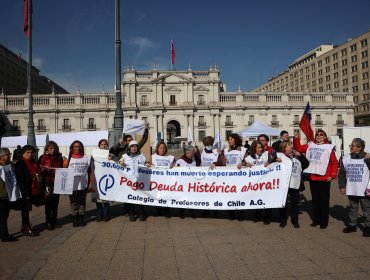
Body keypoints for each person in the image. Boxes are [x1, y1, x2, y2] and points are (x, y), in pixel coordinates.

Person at [294, 129, 338, 229]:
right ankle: (316, 220)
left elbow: (334, 162)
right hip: (313, 177)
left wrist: (333, 175)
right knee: (315, 201)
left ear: (325, 136)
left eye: (321, 134)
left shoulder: (329, 147)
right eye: (317, 134)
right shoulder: (310, 144)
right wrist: (296, 138)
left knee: (324, 201)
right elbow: (299, 148)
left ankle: (324, 222)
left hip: (324, 178)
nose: (319, 136)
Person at [338, 138, 370, 237]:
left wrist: (369, 161)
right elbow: (342, 173)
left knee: (366, 209)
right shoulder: (346, 158)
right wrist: (342, 186)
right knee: (353, 207)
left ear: (359, 148)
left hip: (364, 189)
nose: (350, 147)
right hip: (352, 188)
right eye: (351, 145)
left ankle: (368, 227)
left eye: (352, 146)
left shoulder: (367, 157)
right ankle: (352, 225)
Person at [277, 140, 309, 228]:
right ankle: (283, 220)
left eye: (291, 145)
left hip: (295, 184)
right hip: (284, 184)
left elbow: (306, 164)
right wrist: (276, 161)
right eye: (289, 145)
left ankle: (295, 220)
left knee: (295, 203)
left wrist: (301, 156)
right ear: (284, 148)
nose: (291, 147)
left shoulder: (296, 156)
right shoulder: (280, 156)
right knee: (283, 203)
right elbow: (272, 165)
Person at [245, 140, 273, 224]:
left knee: (267, 200)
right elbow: (243, 165)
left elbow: (273, 161)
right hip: (256, 183)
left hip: (267, 182)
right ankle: (257, 215)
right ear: (254, 148)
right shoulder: (248, 158)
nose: (261, 149)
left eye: (261, 147)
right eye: (259, 148)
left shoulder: (266, 154)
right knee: (257, 199)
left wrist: (270, 162)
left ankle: (267, 217)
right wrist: (246, 165)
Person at [119, 140, 148, 221]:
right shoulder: (124, 156)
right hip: (129, 182)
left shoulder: (142, 156)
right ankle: (132, 214)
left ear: (138, 148)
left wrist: (148, 164)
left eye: (135, 146)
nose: (134, 148)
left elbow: (146, 164)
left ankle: (142, 213)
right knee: (131, 199)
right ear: (129, 148)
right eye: (132, 146)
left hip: (139, 181)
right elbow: (119, 163)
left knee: (140, 197)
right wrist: (121, 163)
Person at [65, 140, 92, 227]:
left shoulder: (87, 157)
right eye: (75, 146)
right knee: (73, 203)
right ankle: (75, 219)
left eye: (79, 146)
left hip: (83, 184)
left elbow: (90, 172)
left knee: (82, 203)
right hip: (71, 185)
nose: (77, 148)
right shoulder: (66, 158)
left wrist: (90, 183)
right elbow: (63, 172)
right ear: (72, 148)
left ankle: (81, 219)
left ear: (82, 147)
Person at [14, 145, 40, 236]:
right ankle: (26, 227)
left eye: (31, 152)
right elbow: (20, 180)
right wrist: (25, 193)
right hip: (25, 190)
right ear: (23, 154)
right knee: (25, 209)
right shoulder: (20, 164)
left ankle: (25, 226)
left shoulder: (32, 162)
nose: (30, 154)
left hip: (32, 188)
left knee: (27, 209)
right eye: (27, 152)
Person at [38, 141, 64, 230]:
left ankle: (54, 220)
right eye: (51, 148)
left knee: (55, 203)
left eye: (54, 148)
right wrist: (44, 170)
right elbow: (38, 169)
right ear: (47, 149)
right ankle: (48, 221)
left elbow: (62, 168)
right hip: (47, 183)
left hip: (57, 183)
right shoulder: (43, 157)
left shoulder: (59, 157)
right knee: (48, 203)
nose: (53, 150)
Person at [223, 133, 247, 220]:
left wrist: (243, 163)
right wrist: (221, 158)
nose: (229, 141)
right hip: (229, 177)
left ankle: (240, 214)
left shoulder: (243, 150)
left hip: (240, 177)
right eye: (228, 139)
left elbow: (247, 161)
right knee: (230, 196)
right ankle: (231, 215)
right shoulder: (225, 150)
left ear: (235, 140)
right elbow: (222, 162)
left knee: (240, 195)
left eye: (231, 139)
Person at [149, 141, 175, 218]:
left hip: (166, 181)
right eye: (161, 148)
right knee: (157, 195)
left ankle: (166, 211)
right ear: (157, 149)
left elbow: (176, 166)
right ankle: (158, 210)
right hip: (157, 181)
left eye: (164, 148)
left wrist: (173, 165)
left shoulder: (171, 157)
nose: (162, 149)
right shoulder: (153, 157)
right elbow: (148, 164)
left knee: (166, 195)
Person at [0, 148, 20, 242]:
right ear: (1, 156)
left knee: (5, 215)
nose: (9, 155)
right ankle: (4, 236)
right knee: (3, 216)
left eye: (9, 153)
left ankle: (3, 234)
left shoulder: (10, 164)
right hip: (1, 195)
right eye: (7, 154)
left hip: (8, 194)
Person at [91, 139, 113, 222]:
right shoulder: (95, 156)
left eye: (105, 144)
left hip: (106, 179)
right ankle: (99, 215)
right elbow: (92, 167)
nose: (103, 146)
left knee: (106, 199)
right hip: (97, 179)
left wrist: (111, 159)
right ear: (99, 146)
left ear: (107, 146)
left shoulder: (110, 155)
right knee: (98, 199)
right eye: (102, 144)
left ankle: (106, 215)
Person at [175, 145, 199, 218]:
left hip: (191, 184)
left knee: (191, 198)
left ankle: (192, 212)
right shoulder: (180, 161)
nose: (193, 154)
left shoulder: (194, 161)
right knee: (182, 198)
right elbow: (175, 171)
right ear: (187, 153)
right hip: (182, 184)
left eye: (193, 153)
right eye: (192, 152)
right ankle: (181, 213)